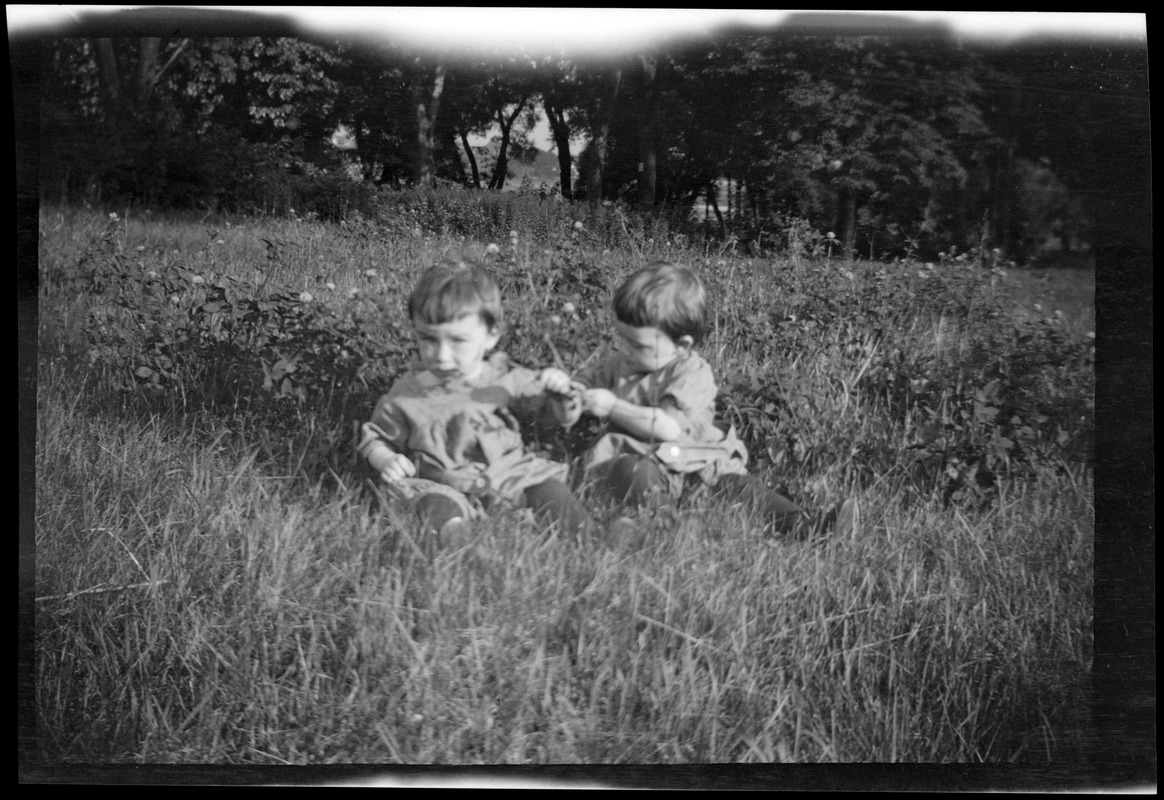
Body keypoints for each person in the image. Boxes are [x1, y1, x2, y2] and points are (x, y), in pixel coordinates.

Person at [544, 261, 859, 541]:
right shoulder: (613, 368)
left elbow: (667, 427)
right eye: (620, 338)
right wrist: (566, 396)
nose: (624, 350)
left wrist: (612, 405)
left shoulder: (692, 372)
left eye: (637, 345)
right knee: (631, 469)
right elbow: (569, 415)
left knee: (741, 488)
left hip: (698, 465)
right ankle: (665, 525)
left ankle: (808, 527)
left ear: (682, 345)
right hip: (641, 464)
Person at [358, 259, 595, 545]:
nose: (441, 355)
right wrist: (386, 459)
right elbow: (375, 437)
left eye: (457, 341)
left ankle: (590, 537)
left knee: (548, 489)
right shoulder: (407, 394)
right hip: (442, 481)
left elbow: (558, 416)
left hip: (508, 474)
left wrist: (562, 394)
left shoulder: (505, 376)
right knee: (433, 505)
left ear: (490, 336)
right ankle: (453, 542)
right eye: (428, 340)